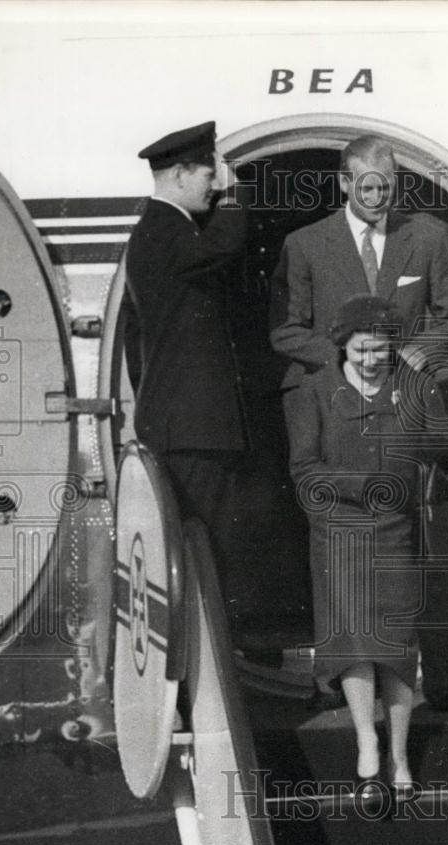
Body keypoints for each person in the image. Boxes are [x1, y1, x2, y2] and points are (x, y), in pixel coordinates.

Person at [271, 134, 448, 711]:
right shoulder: (305, 244)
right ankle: (340, 686)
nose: (376, 195)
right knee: (339, 550)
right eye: (365, 185)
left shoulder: (433, 238)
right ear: (344, 183)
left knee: (413, 549)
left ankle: (424, 684)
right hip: (336, 415)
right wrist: (346, 360)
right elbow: (286, 330)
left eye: (386, 186)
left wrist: (413, 356)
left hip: (409, 413)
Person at [287, 295, 448, 791]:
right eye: (362, 350)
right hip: (339, 531)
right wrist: (359, 486)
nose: (371, 360)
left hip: (395, 530)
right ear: (343, 346)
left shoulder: (416, 387)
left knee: (396, 646)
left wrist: (430, 445)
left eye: (381, 351)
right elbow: (304, 471)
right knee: (353, 646)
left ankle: (401, 755)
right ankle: (367, 739)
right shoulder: (314, 391)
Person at [121, 120, 248, 582]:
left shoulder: (156, 233)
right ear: (179, 174)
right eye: (208, 175)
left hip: (181, 425)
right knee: (211, 552)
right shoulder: (165, 231)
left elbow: (137, 348)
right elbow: (223, 247)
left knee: (201, 550)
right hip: (194, 431)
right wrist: (236, 194)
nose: (214, 186)